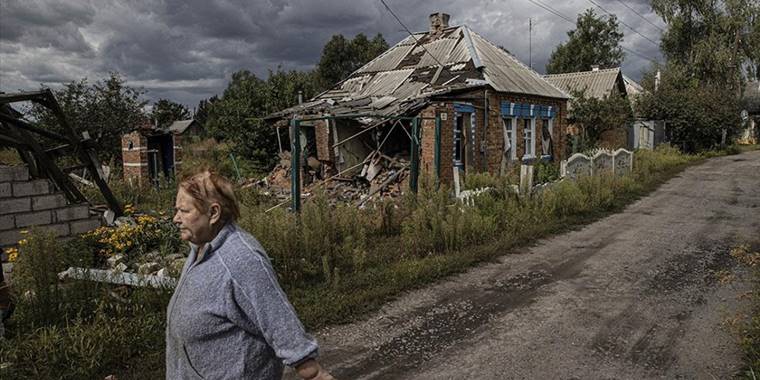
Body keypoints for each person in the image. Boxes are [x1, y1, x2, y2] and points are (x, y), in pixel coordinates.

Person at [166, 170, 334, 380]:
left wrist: (314, 372)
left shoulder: (241, 260)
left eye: (184, 210)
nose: (176, 218)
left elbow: (278, 320)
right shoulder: (200, 249)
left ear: (213, 213)